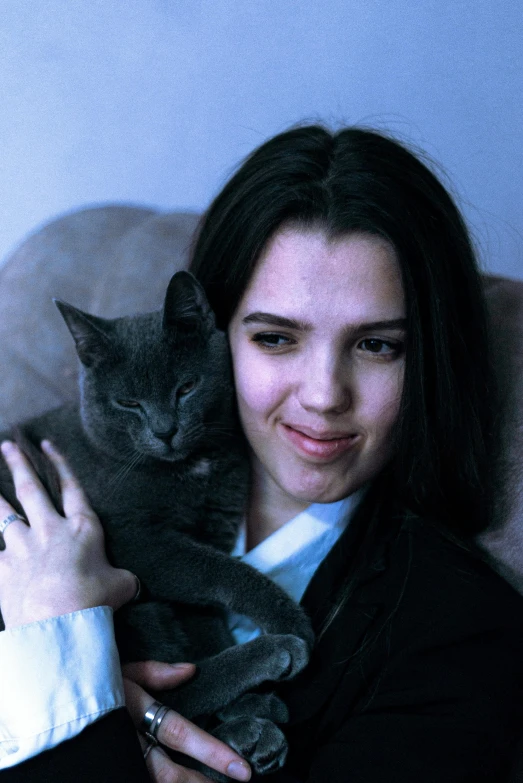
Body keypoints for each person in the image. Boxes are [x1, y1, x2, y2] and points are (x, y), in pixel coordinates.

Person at [1, 124, 523, 783]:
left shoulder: (458, 631)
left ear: (428, 360)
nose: (323, 394)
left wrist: (61, 664)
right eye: (276, 338)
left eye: (376, 345)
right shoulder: (59, 498)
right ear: (214, 333)